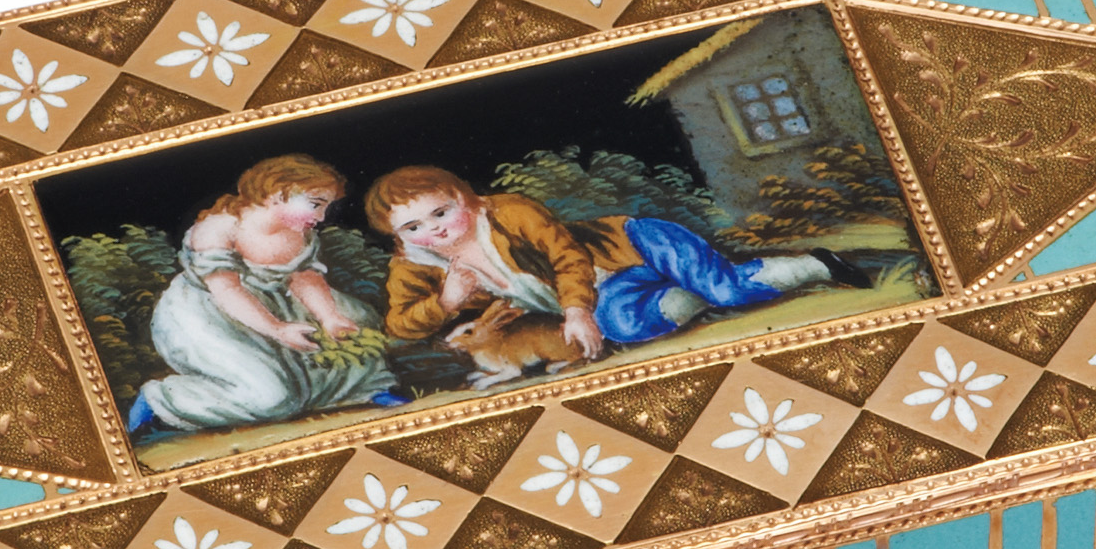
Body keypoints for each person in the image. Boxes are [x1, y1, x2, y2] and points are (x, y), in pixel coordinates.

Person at [364, 165, 871, 353]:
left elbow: (567, 256)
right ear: (398, 236)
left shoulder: (509, 213)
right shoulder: (414, 264)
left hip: (637, 244)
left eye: (440, 212)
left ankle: (820, 263)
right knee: (624, 327)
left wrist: (575, 311)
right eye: (414, 227)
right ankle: (685, 293)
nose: (433, 230)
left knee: (728, 290)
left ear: (466, 199)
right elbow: (399, 324)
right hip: (615, 289)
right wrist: (446, 303)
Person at [127, 155, 405, 434]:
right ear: (278, 194)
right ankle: (161, 399)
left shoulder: (298, 233)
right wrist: (277, 329)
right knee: (271, 397)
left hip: (278, 304)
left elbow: (306, 279)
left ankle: (367, 388)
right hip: (212, 316)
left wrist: (328, 316)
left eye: (325, 207)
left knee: (355, 318)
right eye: (315, 204)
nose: (321, 217)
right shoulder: (220, 228)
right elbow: (227, 290)